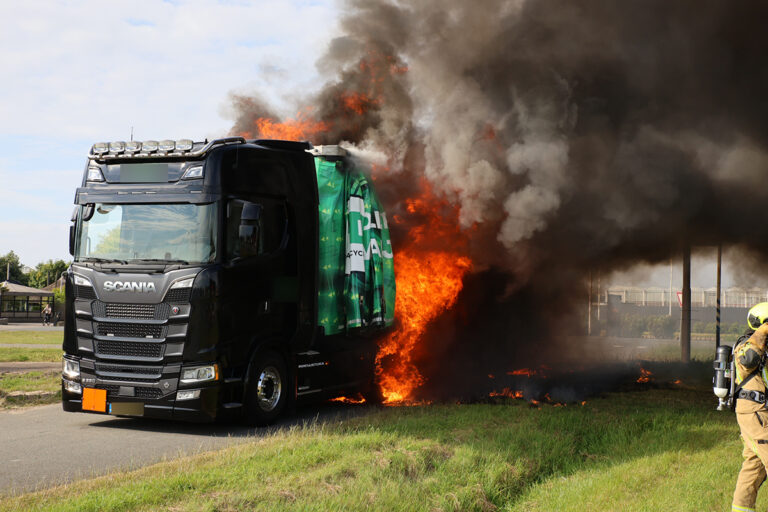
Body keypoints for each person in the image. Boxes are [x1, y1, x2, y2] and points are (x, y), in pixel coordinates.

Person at [732, 302, 768, 512]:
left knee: (754, 466)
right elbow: (748, 360)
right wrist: (763, 331)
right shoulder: (747, 345)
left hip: (760, 412)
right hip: (754, 412)